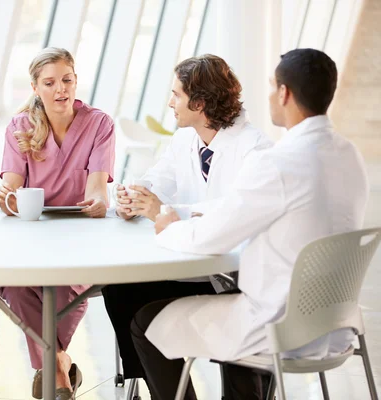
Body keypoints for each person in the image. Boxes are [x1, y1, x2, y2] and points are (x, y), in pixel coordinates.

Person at [130, 48, 368, 400]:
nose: (270, 95)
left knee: (145, 322)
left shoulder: (278, 163)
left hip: (279, 325)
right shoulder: (350, 156)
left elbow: (213, 236)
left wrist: (168, 224)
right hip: (334, 320)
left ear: (285, 93)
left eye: (273, 86)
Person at [102, 54, 272, 391]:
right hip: (194, 265)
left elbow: (233, 212)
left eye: (176, 95)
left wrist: (166, 211)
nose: (170, 102)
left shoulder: (255, 148)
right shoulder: (186, 139)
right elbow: (158, 180)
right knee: (119, 287)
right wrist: (134, 199)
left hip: (233, 277)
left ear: (199, 102)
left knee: (139, 304)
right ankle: (163, 390)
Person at [0, 47, 115, 400]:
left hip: (82, 237)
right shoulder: (20, 126)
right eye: (50, 82)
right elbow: (12, 189)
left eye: (67, 80)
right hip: (33, 237)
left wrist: (97, 203)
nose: (60, 89)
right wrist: (6, 196)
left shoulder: (99, 124)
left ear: (76, 81)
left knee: (68, 289)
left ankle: (53, 372)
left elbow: (98, 189)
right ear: (35, 87)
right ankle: (59, 363)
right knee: (15, 287)